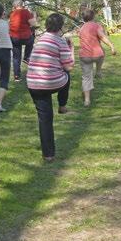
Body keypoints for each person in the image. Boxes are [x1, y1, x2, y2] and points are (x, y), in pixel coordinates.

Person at [27, 13, 74, 161]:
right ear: (61, 27)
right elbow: (69, 66)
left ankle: (48, 155)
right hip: (51, 82)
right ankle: (62, 105)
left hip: (33, 82)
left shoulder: (40, 40)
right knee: (67, 76)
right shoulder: (60, 42)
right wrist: (71, 48)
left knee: (45, 119)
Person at [79, 9, 116, 107]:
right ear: (93, 17)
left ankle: (87, 100)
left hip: (84, 56)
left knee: (86, 78)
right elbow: (103, 37)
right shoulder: (96, 26)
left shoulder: (81, 28)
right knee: (102, 52)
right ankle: (98, 71)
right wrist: (111, 46)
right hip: (97, 55)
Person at [9, 0, 36, 81]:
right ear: (21, 4)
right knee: (32, 39)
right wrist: (34, 15)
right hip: (25, 37)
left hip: (14, 37)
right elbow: (33, 24)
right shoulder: (25, 12)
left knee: (16, 57)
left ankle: (17, 76)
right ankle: (27, 57)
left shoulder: (12, 14)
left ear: (15, 5)